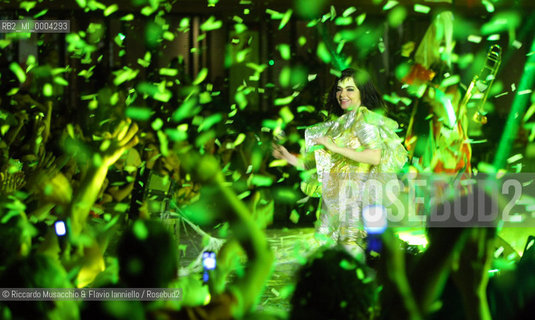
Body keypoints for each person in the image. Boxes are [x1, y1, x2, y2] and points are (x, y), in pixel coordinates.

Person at [273, 68, 407, 248]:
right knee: (332, 252)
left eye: (350, 89)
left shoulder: (364, 119)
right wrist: (289, 158)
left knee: (353, 250)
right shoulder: (339, 124)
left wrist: (336, 147)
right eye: (339, 89)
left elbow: (375, 156)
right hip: (336, 200)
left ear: (362, 93)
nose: (342, 94)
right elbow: (320, 165)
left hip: (358, 201)